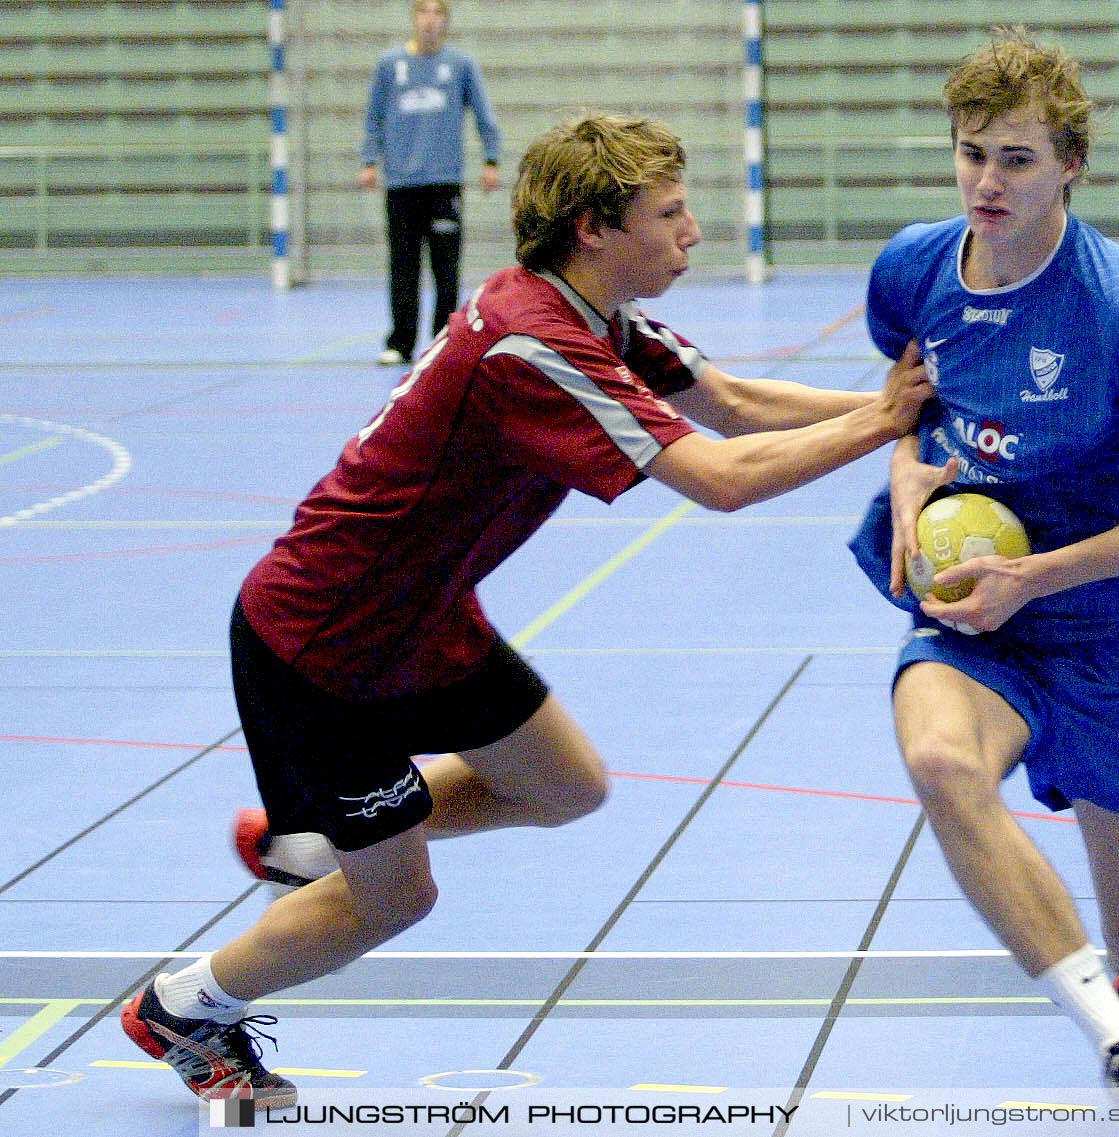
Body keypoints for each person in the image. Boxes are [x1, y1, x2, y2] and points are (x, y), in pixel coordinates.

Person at [120, 112, 932, 1108]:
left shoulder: (596, 312)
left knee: (567, 785)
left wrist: (896, 407)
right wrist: (881, 426)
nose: (693, 233)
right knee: (397, 900)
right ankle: (185, 1007)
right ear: (594, 227)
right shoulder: (532, 346)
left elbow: (728, 402)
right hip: (325, 650)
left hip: (424, 621)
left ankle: (324, 836)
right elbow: (720, 477)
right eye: (669, 214)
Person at [846, 27, 1119, 1134]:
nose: (988, 180)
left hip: (1105, 630)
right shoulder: (914, 268)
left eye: (1018, 159)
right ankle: (1116, 1038)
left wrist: (1035, 575)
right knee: (940, 758)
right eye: (972, 152)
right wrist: (904, 477)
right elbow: (909, 402)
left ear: (1071, 163)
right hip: (974, 619)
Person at [361, 0, 501, 366]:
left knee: (445, 267)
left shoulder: (461, 65)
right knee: (403, 264)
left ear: (446, 21)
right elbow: (373, 115)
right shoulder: (390, 65)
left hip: (444, 182)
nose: (430, 20)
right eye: (423, 12)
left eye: (437, 13)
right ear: (413, 19)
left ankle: (444, 341)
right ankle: (400, 342)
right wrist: (369, 160)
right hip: (402, 183)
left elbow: (484, 113)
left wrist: (491, 159)